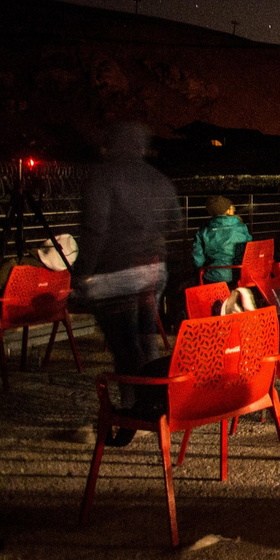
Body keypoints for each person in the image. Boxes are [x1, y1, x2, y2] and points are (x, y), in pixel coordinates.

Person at [71, 123, 181, 440]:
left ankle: (134, 415)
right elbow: (175, 221)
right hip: (153, 270)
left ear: (111, 145)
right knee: (146, 340)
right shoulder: (159, 179)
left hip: (115, 272)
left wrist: (82, 271)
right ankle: (155, 408)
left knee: (125, 348)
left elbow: (94, 228)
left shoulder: (102, 177)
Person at [190, 196, 251, 286]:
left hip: (214, 277)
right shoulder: (241, 227)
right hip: (240, 275)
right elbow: (250, 249)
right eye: (231, 207)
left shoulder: (203, 231)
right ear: (227, 211)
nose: (234, 208)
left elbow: (198, 261)